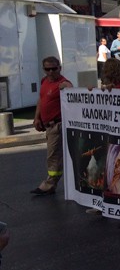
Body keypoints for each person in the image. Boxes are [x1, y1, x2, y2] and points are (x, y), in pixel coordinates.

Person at [31, 56, 72, 195]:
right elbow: (41, 100)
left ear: (59, 68)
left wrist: (67, 87)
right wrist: (37, 118)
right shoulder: (44, 82)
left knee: (53, 155)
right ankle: (51, 183)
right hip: (47, 125)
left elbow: (71, 90)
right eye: (47, 69)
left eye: (54, 69)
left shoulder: (63, 83)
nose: (51, 72)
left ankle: (50, 184)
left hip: (57, 125)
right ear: (44, 70)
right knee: (53, 155)